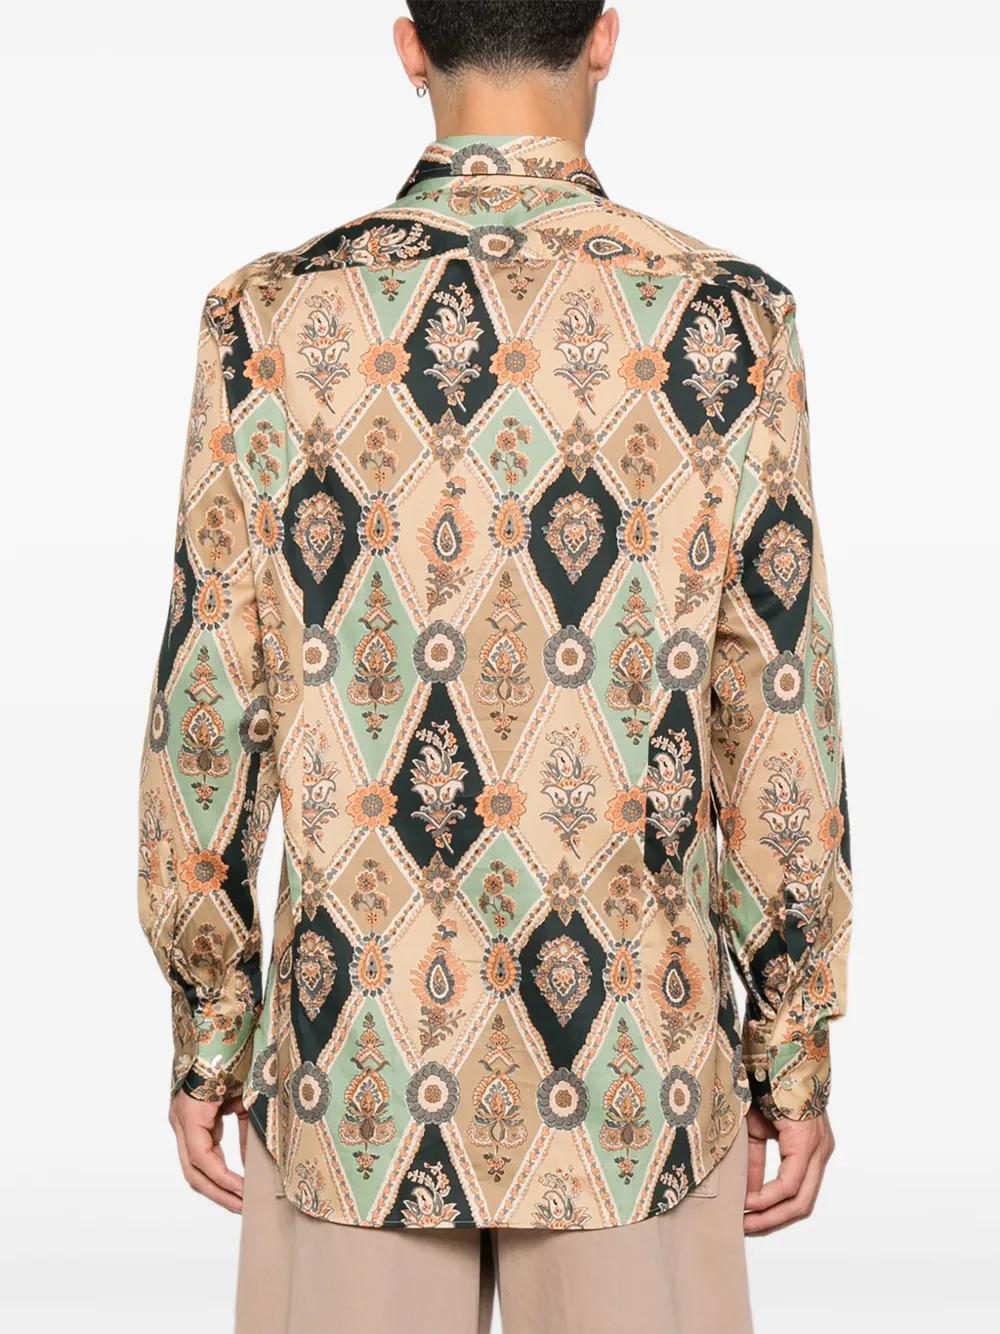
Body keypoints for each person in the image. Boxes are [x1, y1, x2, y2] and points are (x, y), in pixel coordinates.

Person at [136, 3, 852, 1330]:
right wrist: (790, 1045)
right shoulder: (727, 321)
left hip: (355, 1063)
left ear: (409, 46)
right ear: (606, 37)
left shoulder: (269, 320)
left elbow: (207, 705)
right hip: (635, 1073)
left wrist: (210, 1024)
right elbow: (777, 711)